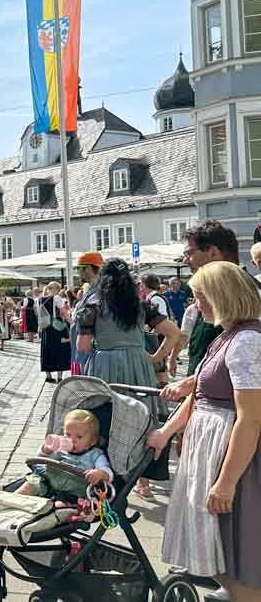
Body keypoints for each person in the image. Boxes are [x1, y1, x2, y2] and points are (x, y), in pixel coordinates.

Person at [149, 261, 261, 601]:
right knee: (216, 552)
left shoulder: (246, 341)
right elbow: (202, 396)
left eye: (200, 297)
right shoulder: (229, 335)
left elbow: (251, 418)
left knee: (237, 559)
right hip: (211, 453)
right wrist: (166, 432)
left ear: (221, 295)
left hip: (232, 461)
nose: (196, 305)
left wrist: (226, 483)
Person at [76, 258, 184, 496]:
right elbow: (174, 333)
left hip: (105, 365)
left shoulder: (93, 307)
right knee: (142, 417)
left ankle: (108, 477)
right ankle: (143, 481)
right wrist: (156, 357)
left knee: (107, 418)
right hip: (138, 365)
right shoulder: (141, 306)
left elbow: (82, 347)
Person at [163, 221, 245, 403]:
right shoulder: (204, 299)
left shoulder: (251, 296)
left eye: (190, 253)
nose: (185, 260)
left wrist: (191, 382)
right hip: (204, 404)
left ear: (213, 252)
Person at [15, 409, 113, 497]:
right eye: (68, 434)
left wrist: (100, 473)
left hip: (74, 490)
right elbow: (42, 458)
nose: (71, 440)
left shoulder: (95, 455)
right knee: (32, 483)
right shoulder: (61, 449)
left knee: (73, 499)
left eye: (79, 437)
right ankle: (12, 500)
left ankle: (61, 508)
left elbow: (107, 470)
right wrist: (47, 449)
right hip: (50, 481)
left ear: (93, 440)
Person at [70, 253, 104, 374]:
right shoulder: (90, 288)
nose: (78, 272)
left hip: (91, 353)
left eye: (78, 268)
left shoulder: (101, 289)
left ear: (88, 268)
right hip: (82, 352)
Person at [38, 281, 70, 384]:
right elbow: (63, 312)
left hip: (45, 327)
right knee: (60, 349)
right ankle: (59, 376)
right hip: (56, 327)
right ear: (56, 289)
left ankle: (48, 375)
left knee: (47, 349)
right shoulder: (56, 298)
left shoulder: (41, 299)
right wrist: (71, 322)